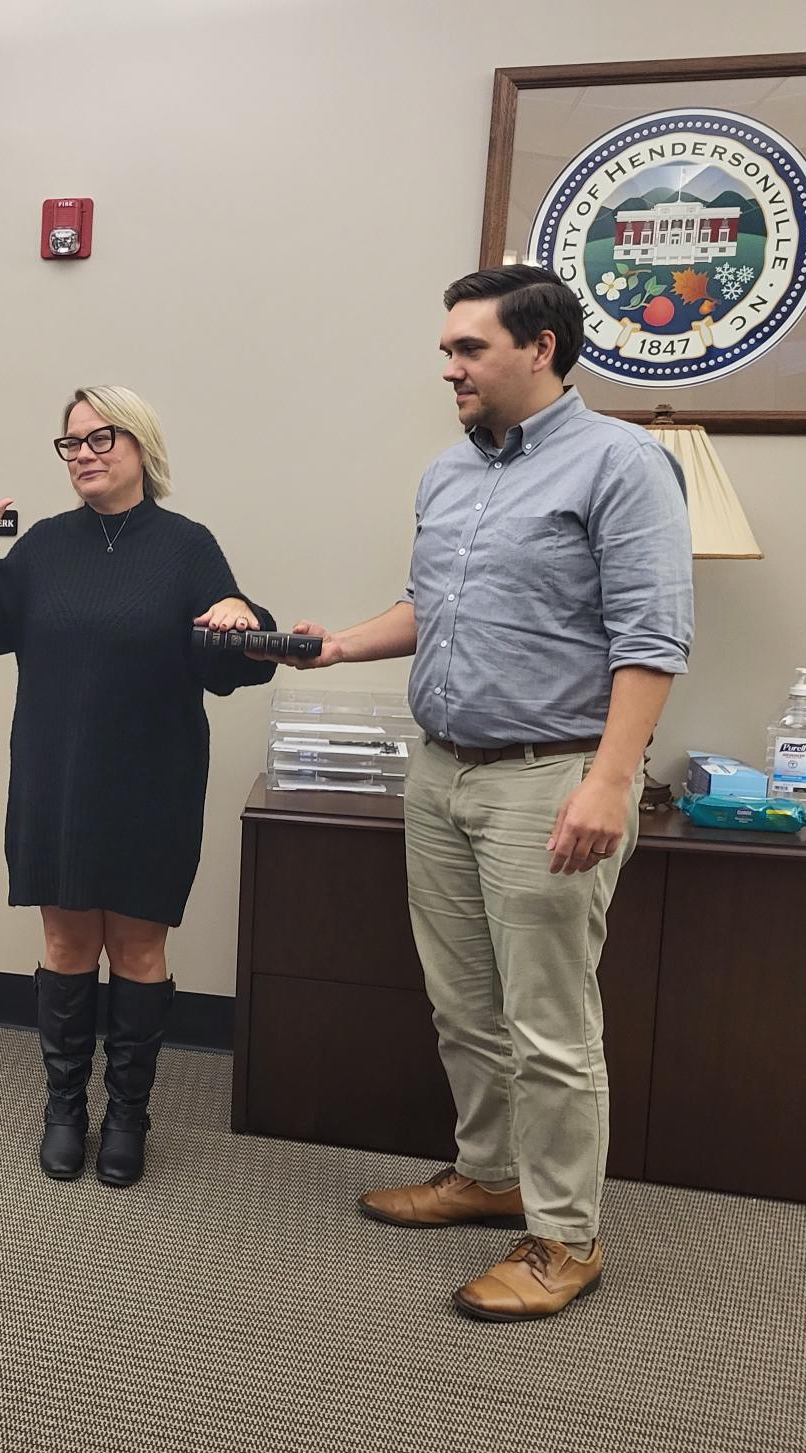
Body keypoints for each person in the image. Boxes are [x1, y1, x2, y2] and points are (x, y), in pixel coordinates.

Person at [266, 265, 693, 1321]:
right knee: (462, 1005)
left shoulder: (623, 465)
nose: (447, 366)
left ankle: (563, 1237)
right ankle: (487, 1173)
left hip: (550, 777)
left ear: (538, 348)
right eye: (445, 349)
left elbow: (651, 641)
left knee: (548, 1022)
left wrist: (607, 780)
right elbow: (432, 606)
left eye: (467, 348)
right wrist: (334, 646)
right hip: (442, 768)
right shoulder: (448, 474)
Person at [0, 386, 278, 1188]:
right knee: (64, 943)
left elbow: (229, 658)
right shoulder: (49, 546)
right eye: (71, 444)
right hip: (58, 775)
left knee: (138, 947)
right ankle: (65, 1108)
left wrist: (239, 608)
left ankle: (128, 1114)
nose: (84, 453)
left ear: (141, 446)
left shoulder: (186, 546)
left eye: (102, 438)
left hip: (152, 780)